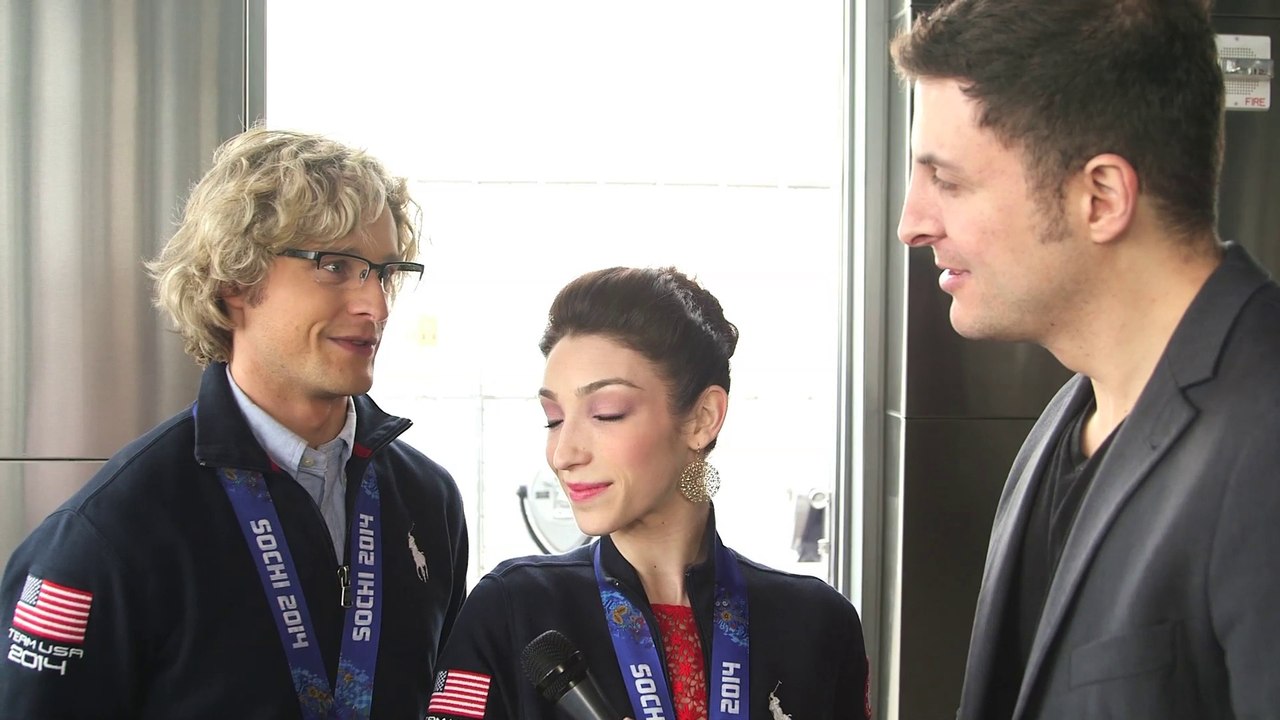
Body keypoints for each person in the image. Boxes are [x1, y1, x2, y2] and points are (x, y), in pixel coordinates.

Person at [892, 0, 1280, 718]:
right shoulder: (1067, 420)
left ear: (1100, 197)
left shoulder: (1265, 442)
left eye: (947, 181)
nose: (911, 223)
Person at [0, 127, 469, 718]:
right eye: (335, 266)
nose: (373, 305)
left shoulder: (428, 501)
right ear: (235, 281)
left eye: (384, 271)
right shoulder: (113, 531)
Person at [424, 267, 870, 720]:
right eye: (554, 418)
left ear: (702, 418)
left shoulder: (817, 623)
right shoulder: (511, 609)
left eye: (607, 413)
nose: (563, 453)